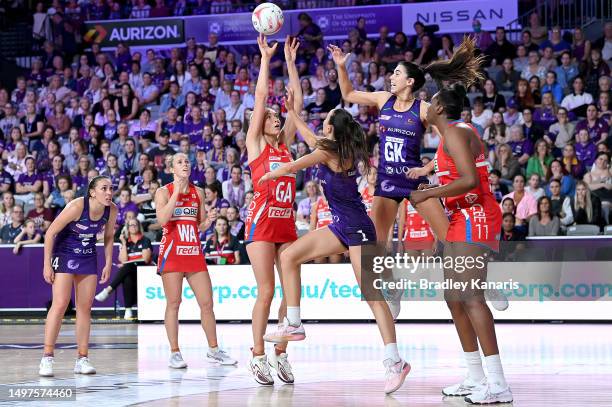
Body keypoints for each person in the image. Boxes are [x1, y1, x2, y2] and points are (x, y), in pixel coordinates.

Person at [261, 89, 410, 394]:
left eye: (325, 119)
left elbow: (294, 165)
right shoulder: (332, 146)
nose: (322, 121)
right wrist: (293, 113)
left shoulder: (328, 150)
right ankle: (294, 322)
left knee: (371, 296)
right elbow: (310, 138)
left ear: (331, 127)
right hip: (341, 226)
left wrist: (268, 174)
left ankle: (395, 361)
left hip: (358, 229)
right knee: (289, 257)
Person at [408, 79, 513, 403]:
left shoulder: (454, 132)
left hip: (476, 215)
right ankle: (475, 376)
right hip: (460, 217)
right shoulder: (451, 134)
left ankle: (498, 385)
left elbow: (470, 181)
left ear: (439, 108)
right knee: (453, 298)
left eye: (430, 102)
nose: (425, 106)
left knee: (470, 297)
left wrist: (431, 192)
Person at [327, 38, 447, 317]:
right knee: (378, 244)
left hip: (414, 180)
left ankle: (483, 283)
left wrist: (428, 170)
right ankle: (392, 288)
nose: (391, 77)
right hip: (387, 181)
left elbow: (448, 141)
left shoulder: (424, 109)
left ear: (410, 82)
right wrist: (341, 66)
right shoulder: (384, 99)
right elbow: (348, 93)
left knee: (449, 236)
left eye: (396, 73)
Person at [243, 35, 303, 385]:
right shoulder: (255, 145)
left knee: (291, 294)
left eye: (277, 117)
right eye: (270, 118)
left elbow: (295, 102)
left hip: (287, 225)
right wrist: (266, 58)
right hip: (262, 225)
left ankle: (281, 353)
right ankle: (257, 355)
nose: (276, 119)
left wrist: (291, 63)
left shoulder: (288, 146)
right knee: (266, 290)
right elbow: (262, 98)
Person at [155, 152, 236, 369]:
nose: (185, 164)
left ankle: (213, 349)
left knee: (207, 303)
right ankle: (174, 352)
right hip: (172, 252)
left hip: (193, 251)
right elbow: (163, 220)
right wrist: (177, 193)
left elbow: (198, 225)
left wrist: (208, 222)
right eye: (179, 162)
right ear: (172, 168)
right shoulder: (163, 192)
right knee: (174, 303)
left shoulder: (198, 192)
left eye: (186, 161)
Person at [39, 176, 117, 377]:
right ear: (92, 192)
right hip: (64, 252)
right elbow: (50, 233)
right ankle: (47, 358)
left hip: (88, 254)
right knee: (61, 303)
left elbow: (109, 236)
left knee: (85, 307)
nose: (109, 192)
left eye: (111, 188)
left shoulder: (112, 210)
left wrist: (108, 262)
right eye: (104, 188)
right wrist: (47, 264)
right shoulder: (76, 207)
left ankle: (82, 359)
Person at [95, 219, 152, 319]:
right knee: (127, 277)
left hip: (143, 271)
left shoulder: (145, 240)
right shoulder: (126, 242)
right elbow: (123, 259)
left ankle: (108, 290)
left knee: (128, 266)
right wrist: (124, 243)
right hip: (130, 271)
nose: (133, 227)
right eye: (131, 225)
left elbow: (146, 259)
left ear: (139, 226)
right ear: (127, 228)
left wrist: (129, 263)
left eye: (135, 225)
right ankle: (128, 310)